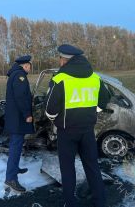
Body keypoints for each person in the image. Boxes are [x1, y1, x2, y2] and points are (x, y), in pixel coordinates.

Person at [45, 44, 110, 207]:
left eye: (60, 59)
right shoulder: (94, 77)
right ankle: (100, 201)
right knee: (92, 166)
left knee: (67, 169)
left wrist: (55, 119)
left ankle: (70, 203)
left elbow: (49, 109)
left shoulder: (60, 79)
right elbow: (105, 97)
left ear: (65, 59)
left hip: (67, 132)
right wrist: (93, 110)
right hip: (87, 130)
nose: (59, 62)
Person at [4, 55, 35, 192]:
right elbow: (21, 97)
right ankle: (11, 178)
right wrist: (27, 114)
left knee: (16, 145)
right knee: (16, 147)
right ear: (25, 65)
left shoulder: (15, 74)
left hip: (15, 118)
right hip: (18, 118)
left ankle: (14, 169)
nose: (30, 68)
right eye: (29, 65)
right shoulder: (20, 76)